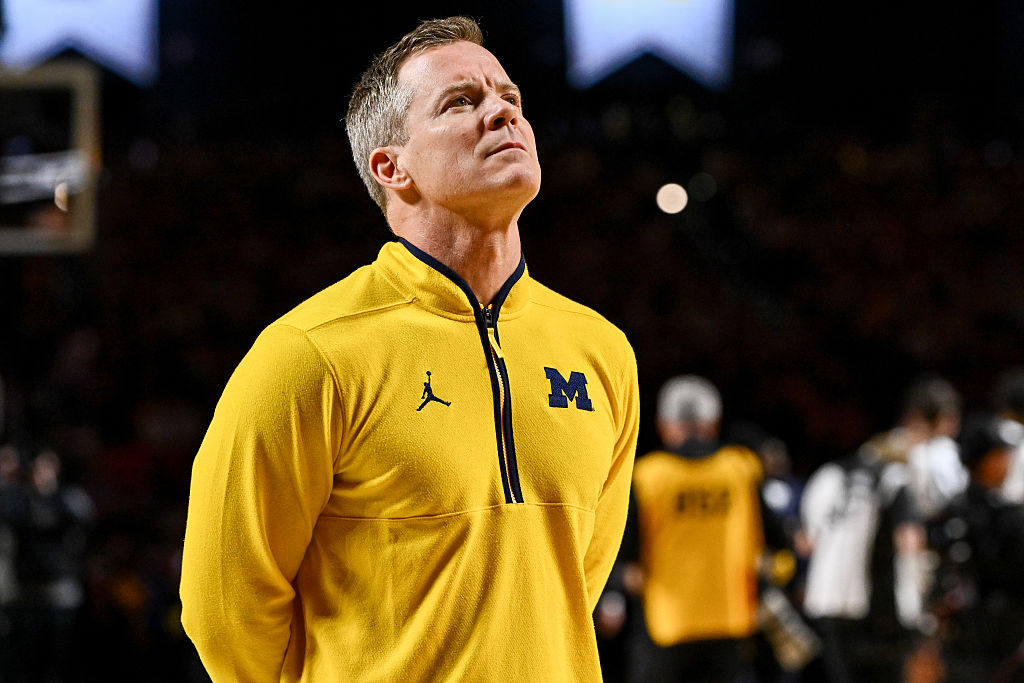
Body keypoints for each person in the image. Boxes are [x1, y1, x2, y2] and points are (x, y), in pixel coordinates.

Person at [180, 16, 640, 682]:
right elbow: (224, 611)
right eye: (462, 102)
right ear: (392, 167)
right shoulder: (309, 354)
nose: (502, 114)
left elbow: (575, 580)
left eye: (510, 97)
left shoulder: (601, 350)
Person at [626, 376, 773, 682]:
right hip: (730, 617)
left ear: (664, 425)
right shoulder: (740, 468)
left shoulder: (647, 475)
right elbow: (775, 539)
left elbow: (628, 557)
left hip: (668, 622)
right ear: (713, 423)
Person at [927, 414, 1024, 682]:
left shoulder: (947, 514)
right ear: (985, 460)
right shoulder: (1003, 516)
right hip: (1000, 647)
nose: (1008, 462)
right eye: (1001, 455)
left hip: (960, 644)